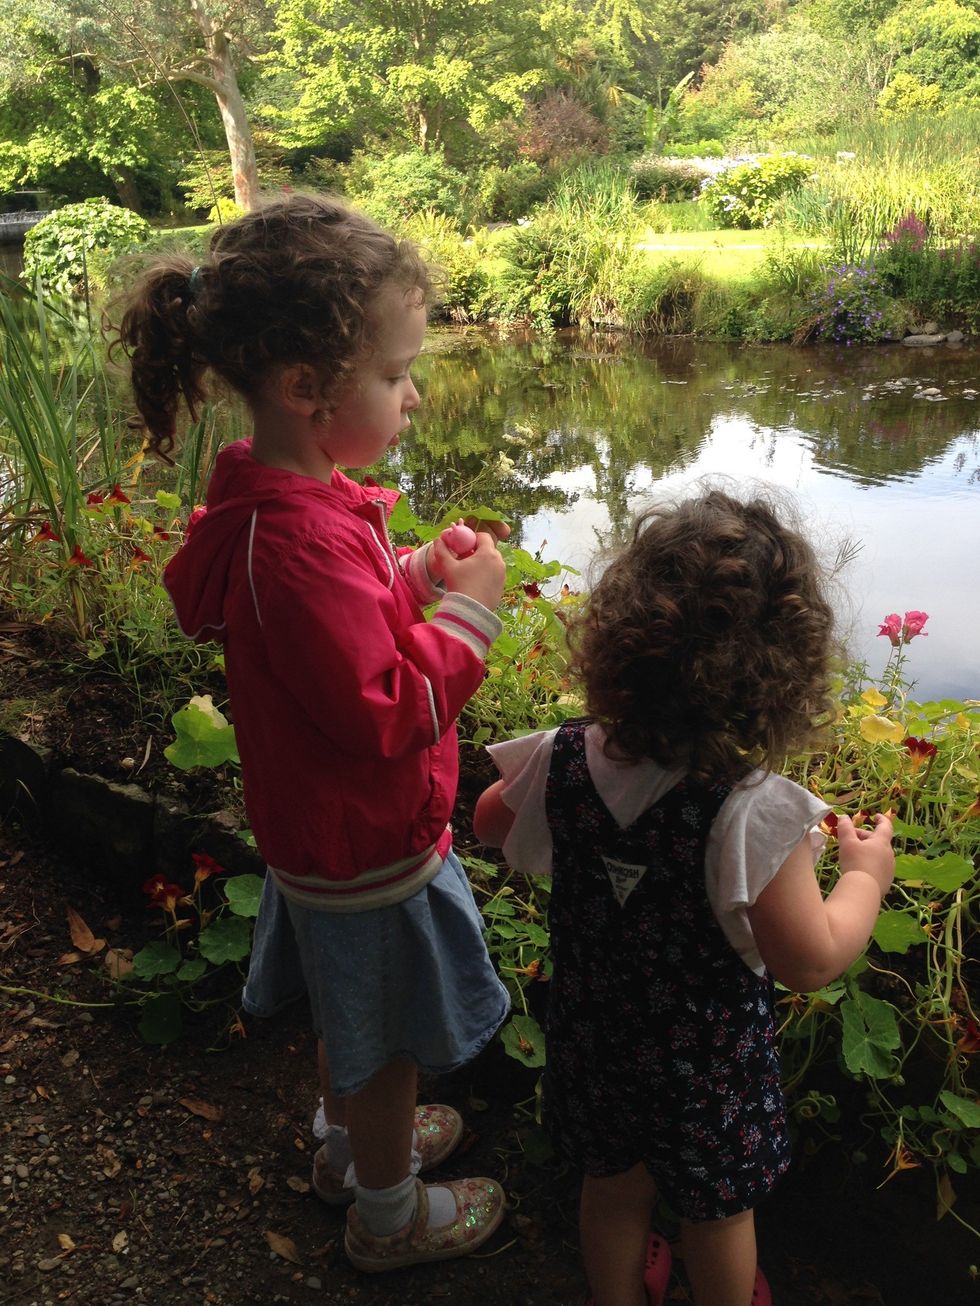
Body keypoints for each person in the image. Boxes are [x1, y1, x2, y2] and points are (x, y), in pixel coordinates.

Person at [114, 194, 512, 1272]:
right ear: (305, 388)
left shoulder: (271, 500)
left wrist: (417, 573)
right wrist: (471, 612)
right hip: (365, 840)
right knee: (385, 1043)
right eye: (392, 376)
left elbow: (325, 631)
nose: (411, 394)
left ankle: (347, 1149)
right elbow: (380, 706)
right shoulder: (296, 542)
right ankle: (388, 1213)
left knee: (354, 1003)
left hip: (315, 837)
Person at [474, 489, 895, 1306]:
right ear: (781, 676)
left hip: (595, 1044)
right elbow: (811, 958)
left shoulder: (561, 759)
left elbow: (491, 823)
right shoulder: (751, 813)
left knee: (613, 1190)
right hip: (708, 1077)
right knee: (719, 1215)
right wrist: (864, 877)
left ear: (619, 641)